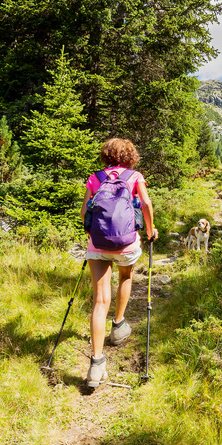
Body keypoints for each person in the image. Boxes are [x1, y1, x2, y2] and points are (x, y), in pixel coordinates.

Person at [80, 138, 157, 389]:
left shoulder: (95, 177)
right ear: (130, 155)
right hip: (126, 243)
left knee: (100, 301)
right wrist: (150, 229)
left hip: (98, 245)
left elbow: (84, 212)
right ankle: (119, 325)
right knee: (125, 277)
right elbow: (145, 203)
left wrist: (91, 234)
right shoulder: (135, 176)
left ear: (106, 155)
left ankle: (96, 364)